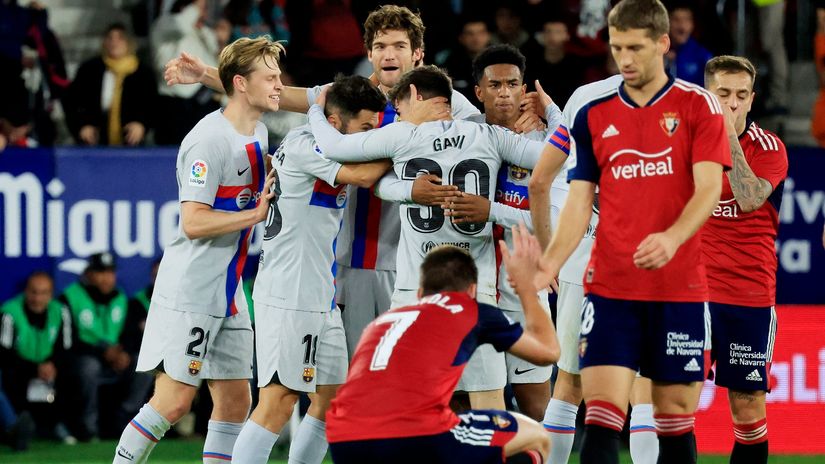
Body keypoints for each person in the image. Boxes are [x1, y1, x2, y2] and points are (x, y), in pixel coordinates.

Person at [162, 5, 492, 373]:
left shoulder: (446, 103)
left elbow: (490, 138)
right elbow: (278, 94)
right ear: (368, 53)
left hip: (420, 263)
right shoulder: (348, 97)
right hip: (357, 266)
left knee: (426, 379)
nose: (389, 54)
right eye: (380, 45)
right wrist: (207, 74)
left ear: (417, 53)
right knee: (357, 381)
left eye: (399, 46)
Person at [532, 1, 731, 463]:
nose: (625, 59)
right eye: (617, 46)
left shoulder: (698, 105)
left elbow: (709, 187)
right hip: (610, 287)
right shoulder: (592, 112)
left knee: (673, 416)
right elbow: (580, 202)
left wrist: (672, 237)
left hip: (676, 288)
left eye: (636, 48)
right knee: (600, 415)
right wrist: (550, 263)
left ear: (663, 43)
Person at [308, 65, 555, 412]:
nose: (400, 115)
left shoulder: (403, 135)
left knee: (408, 405)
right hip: (476, 293)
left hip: (414, 291)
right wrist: (552, 114)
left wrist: (315, 110)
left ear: (412, 95)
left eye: (400, 108)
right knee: (488, 405)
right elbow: (555, 156)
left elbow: (333, 146)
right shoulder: (489, 136)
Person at [112, 36, 281, 464]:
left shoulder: (258, 130)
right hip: (192, 288)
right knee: (172, 403)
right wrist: (254, 215)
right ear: (242, 84)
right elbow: (193, 221)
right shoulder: (207, 140)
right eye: (271, 76)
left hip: (230, 291)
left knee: (234, 401)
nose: (280, 84)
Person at [231, 75, 392, 464]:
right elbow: (366, 177)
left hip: (320, 293)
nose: (371, 136)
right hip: (289, 293)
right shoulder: (306, 146)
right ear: (335, 124)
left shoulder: (327, 143)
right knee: (278, 401)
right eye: (367, 128)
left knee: (333, 399)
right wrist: (405, 141)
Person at [327, 228, 559, 464]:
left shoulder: (381, 323)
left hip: (343, 437)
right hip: (415, 434)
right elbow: (548, 352)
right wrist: (526, 288)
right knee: (536, 436)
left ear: (419, 293)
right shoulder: (470, 309)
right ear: (471, 290)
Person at [701, 55, 788, 464]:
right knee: (671, 400)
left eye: (740, 96)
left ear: (752, 100)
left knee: (748, 406)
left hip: (748, 295)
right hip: (691, 294)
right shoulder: (684, 142)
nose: (731, 104)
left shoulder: (770, 147)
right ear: (707, 94)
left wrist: (726, 135)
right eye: (722, 94)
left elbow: (750, 197)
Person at [59, 252, 142, 442]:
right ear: (89, 274)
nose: (106, 278)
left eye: (110, 272)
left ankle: (125, 421)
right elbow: (67, 342)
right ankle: (88, 427)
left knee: (141, 364)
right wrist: (103, 352)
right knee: (89, 367)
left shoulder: (120, 297)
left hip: (115, 358)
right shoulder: (70, 297)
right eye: (100, 272)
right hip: (85, 357)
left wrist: (124, 353)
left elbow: (130, 334)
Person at [0, 272, 72, 448]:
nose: (37, 298)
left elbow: (67, 347)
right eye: (33, 292)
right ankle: (14, 426)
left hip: (50, 366)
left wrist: (51, 365)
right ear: (25, 291)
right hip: (19, 368)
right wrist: (34, 368)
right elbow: (4, 353)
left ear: (51, 294)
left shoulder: (60, 311)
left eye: (43, 293)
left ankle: (60, 425)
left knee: (76, 370)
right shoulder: (10, 312)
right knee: (7, 375)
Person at [66, 23, 157, 146]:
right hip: (95, 140)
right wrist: (82, 125)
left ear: (129, 42)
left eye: (120, 38)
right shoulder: (89, 70)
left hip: (131, 141)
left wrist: (142, 125)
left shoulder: (142, 72)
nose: (114, 42)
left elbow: (152, 104)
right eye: (110, 38)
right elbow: (73, 101)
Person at [435, 15, 492, 110]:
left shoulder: (500, 63)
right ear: (461, 38)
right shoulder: (449, 65)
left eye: (480, 33)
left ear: (488, 35)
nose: (476, 39)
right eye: (470, 34)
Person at [664, 2, 712, 86]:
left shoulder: (703, 56)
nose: (682, 27)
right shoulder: (657, 53)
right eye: (676, 20)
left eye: (686, 20)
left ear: (693, 24)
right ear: (667, 23)